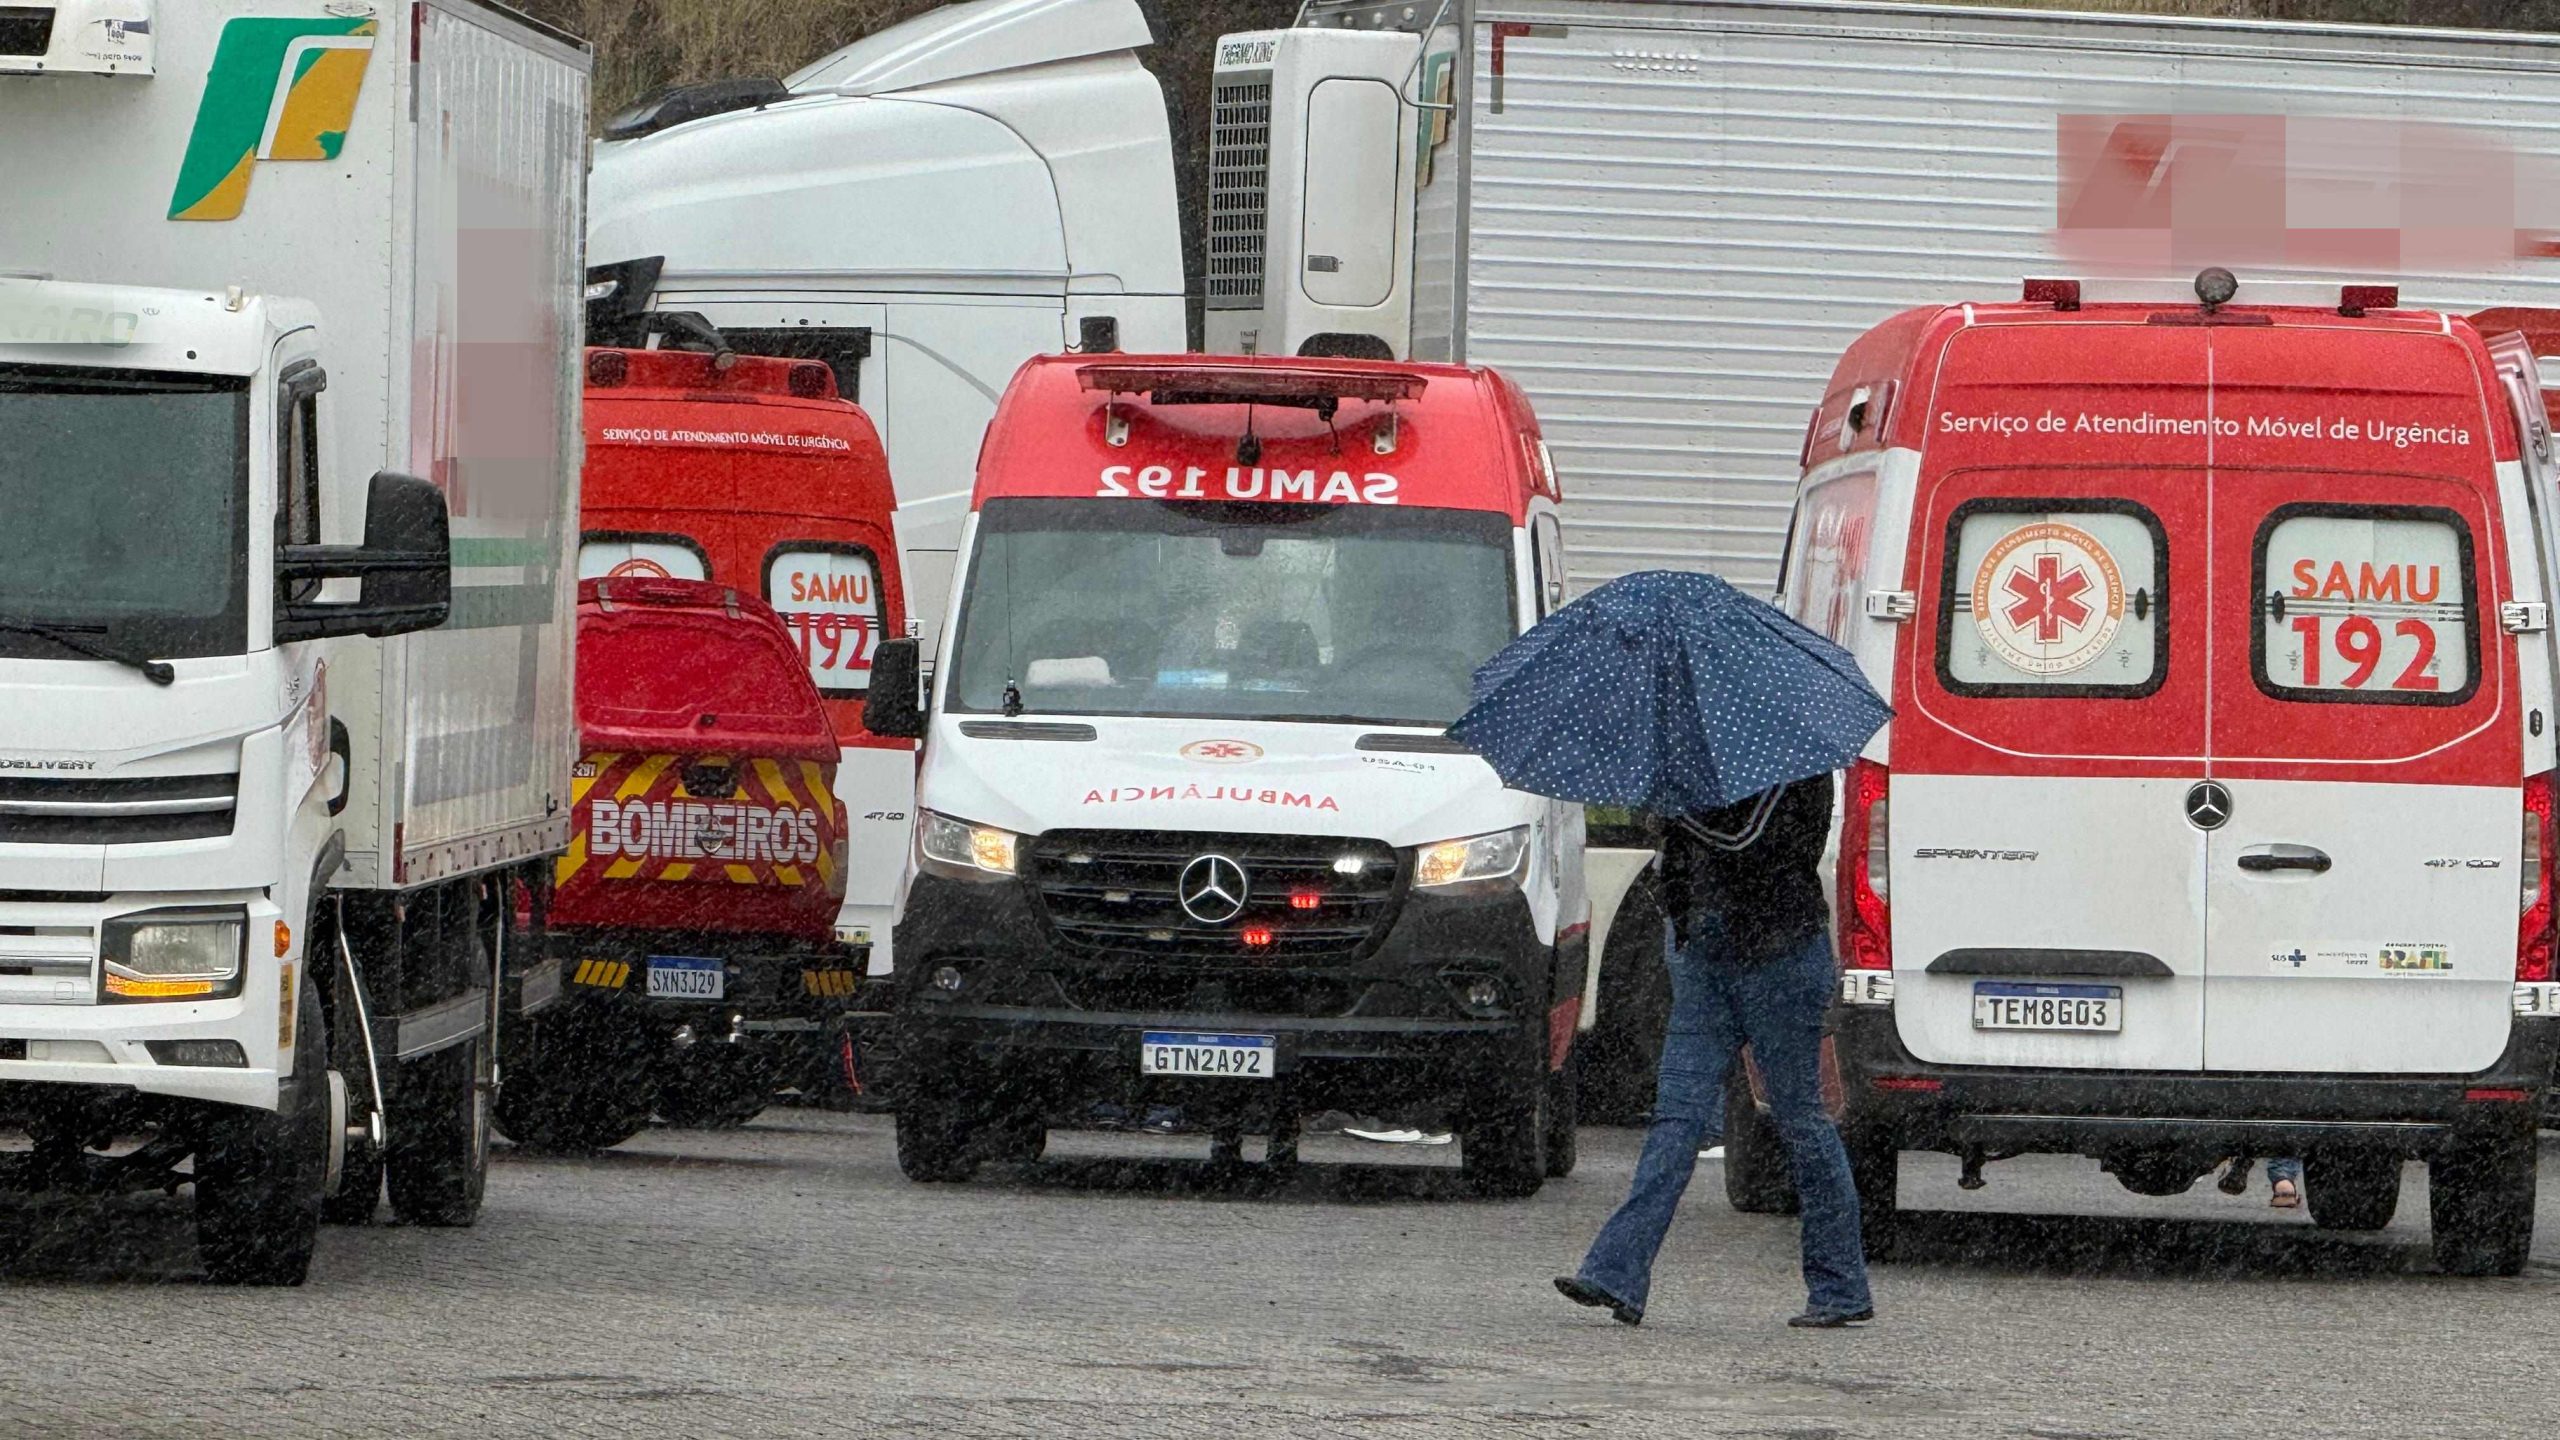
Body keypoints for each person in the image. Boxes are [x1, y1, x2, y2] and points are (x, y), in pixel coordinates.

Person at [1554, 774, 1876, 1330]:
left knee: (1800, 1118)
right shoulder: (1711, 755)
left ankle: (1841, 1286)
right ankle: (1616, 1274)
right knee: (1675, 1118)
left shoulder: (1792, 762)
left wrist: (1676, 813)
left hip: (1781, 959)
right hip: (1708, 952)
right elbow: (1692, 855)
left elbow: (1744, 839)